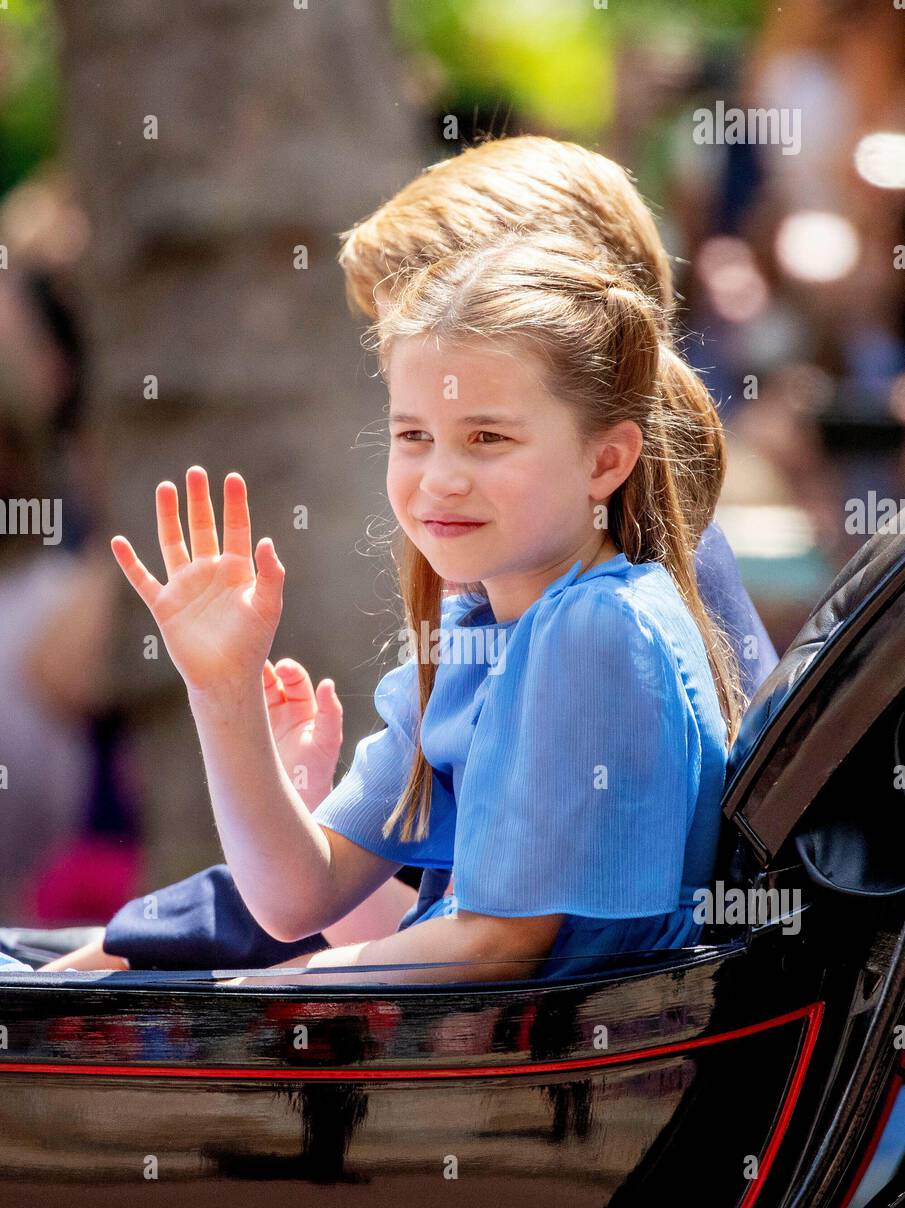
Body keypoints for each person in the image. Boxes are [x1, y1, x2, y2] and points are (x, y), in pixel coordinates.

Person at [43, 134, 773, 977]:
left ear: (606, 458)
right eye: (412, 434)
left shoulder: (599, 622)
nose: (441, 480)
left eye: (487, 437)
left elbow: (502, 940)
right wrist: (222, 690)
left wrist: (258, 995)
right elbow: (294, 897)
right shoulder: (474, 631)